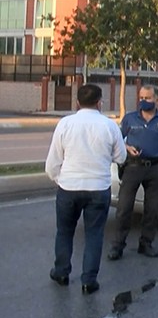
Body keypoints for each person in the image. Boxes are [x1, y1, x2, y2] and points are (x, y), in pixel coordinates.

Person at [45, 84, 127, 295]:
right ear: (100, 102)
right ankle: (89, 281)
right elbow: (121, 157)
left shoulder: (65, 124)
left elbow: (53, 162)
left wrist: (60, 179)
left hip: (69, 187)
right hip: (98, 187)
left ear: (77, 102)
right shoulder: (109, 126)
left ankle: (62, 272)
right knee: (94, 234)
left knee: (64, 231)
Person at [108, 85, 158, 260]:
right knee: (124, 208)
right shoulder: (130, 119)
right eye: (141, 97)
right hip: (132, 167)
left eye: (147, 98)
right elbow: (117, 140)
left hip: (154, 168)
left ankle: (146, 244)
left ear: (157, 100)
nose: (143, 101)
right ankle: (118, 246)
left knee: (152, 209)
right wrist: (127, 147)